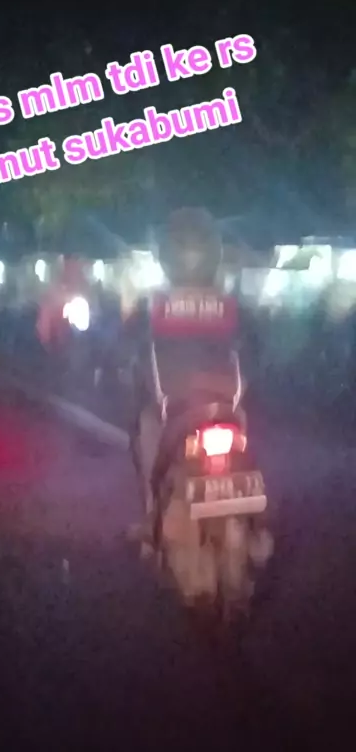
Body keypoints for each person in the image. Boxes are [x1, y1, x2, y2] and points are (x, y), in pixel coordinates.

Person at [124, 208, 243, 553]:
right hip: (226, 403)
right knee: (246, 431)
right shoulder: (230, 305)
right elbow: (256, 346)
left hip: (174, 406)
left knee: (146, 427)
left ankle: (152, 516)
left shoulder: (152, 306)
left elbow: (126, 344)